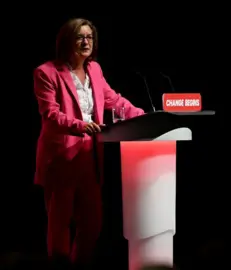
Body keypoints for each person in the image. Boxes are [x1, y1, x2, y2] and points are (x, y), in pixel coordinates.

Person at [33, 18, 145, 268]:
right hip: (60, 158)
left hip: (89, 158)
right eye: (80, 37)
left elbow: (115, 101)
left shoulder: (95, 69)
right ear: (66, 41)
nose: (86, 42)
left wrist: (145, 116)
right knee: (60, 225)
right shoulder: (46, 72)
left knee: (93, 223)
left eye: (90, 37)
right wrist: (80, 125)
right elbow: (50, 115)